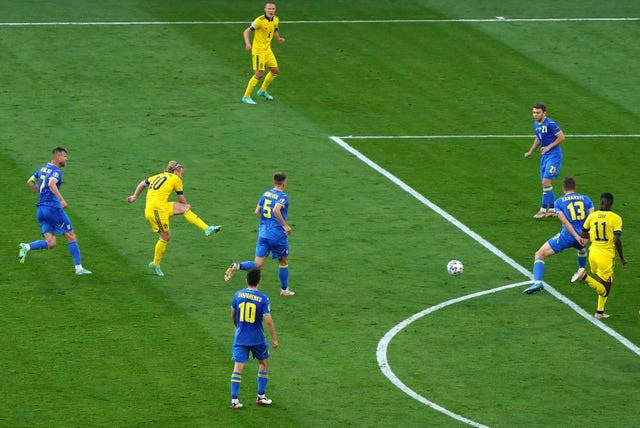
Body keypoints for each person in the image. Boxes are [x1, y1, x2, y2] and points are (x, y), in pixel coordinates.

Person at [126, 160, 221, 276]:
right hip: (157, 211)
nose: (182, 176)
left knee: (184, 209)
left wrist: (135, 196)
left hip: (160, 206)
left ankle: (207, 228)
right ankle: (155, 264)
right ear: (176, 171)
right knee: (165, 236)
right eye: (181, 173)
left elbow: (142, 183)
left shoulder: (158, 175)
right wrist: (186, 204)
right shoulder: (176, 179)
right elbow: (181, 200)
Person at [18, 147, 92, 275]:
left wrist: (41, 194)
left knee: (51, 243)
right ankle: (79, 268)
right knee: (71, 235)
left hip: (41, 210)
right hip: (52, 208)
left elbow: (30, 182)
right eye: (64, 156)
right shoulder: (56, 171)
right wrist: (61, 200)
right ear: (58, 157)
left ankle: (26, 247)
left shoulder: (42, 169)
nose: (66, 159)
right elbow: (52, 184)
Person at [225, 172, 294, 296]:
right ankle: (284, 290)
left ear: (273, 182)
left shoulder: (266, 193)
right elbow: (276, 209)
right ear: (285, 182)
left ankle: (237, 265)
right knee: (283, 262)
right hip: (277, 234)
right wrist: (285, 225)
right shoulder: (283, 196)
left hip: (263, 233)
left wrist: (265, 222)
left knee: (257, 265)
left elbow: (256, 211)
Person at [523, 177, 593, 294]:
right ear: (574, 187)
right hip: (583, 236)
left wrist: (576, 236)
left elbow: (565, 222)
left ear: (563, 188)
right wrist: (586, 236)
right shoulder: (586, 199)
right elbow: (592, 218)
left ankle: (538, 282)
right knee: (581, 247)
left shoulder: (559, 202)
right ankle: (581, 270)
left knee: (540, 254)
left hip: (567, 236)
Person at [229, 268, 279, 409]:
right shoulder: (263, 298)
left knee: (238, 367)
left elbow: (233, 312)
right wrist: (274, 339)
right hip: (257, 339)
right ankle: (261, 396)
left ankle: (234, 400)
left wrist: (236, 326)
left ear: (246, 280)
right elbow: (268, 320)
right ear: (259, 281)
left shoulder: (237, 295)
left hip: (240, 338)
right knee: (263, 363)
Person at [572, 192, 627, 319]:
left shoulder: (592, 216)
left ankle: (599, 312)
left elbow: (583, 234)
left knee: (604, 281)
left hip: (592, 253)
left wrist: (593, 236)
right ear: (611, 202)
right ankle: (584, 276)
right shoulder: (616, 218)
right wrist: (622, 258)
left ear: (601, 202)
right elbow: (617, 240)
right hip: (605, 257)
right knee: (605, 289)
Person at [524, 103, 566, 219]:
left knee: (545, 182)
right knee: (545, 183)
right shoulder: (536, 124)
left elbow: (562, 137)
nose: (535, 115)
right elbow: (538, 138)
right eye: (534, 112)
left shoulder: (551, 124)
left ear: (544, 113)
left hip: (554, 156)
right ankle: (552, 210)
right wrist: (530, 151)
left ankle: (543, 210)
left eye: (538, 112)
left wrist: (549, 147)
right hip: (545, 156)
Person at [241, 2, 286, 105]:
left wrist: (279, 39)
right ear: (265, 10)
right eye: (269, 9)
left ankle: (262, 91)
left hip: (267, 50)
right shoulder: (259, 21)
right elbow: (246, 31)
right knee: (259, 73)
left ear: (275, 10)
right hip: (258, 51)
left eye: (273, 9)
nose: (271, 10)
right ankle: (246, 96)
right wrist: (248, 43)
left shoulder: (276, 19)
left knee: (275, 71)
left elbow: (274, 30)